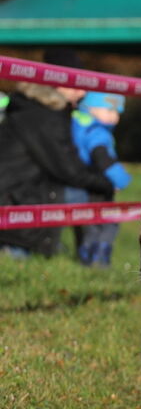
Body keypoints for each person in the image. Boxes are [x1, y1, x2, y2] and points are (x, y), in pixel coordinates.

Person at [0, 49, 115, 258]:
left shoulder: (31, 107)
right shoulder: (46, 116)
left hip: (15, 196)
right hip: (15, 202)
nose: (82, 93)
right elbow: (69, 170)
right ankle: (95, 261)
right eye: (76, 84)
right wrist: (106, 183)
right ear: (56, 82)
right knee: (93, 192)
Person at [66, 91, 131, 267]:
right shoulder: (97, 132)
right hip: (99, 185)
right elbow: (103, 158)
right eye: (110, 111)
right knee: (108, 224)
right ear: (92, 108)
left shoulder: (77, 123)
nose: (115, 118)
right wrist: (121, 179)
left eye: (117, 113)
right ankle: (100, 258)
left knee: (88, 224)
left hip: (82, 184)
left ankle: (85, 257)